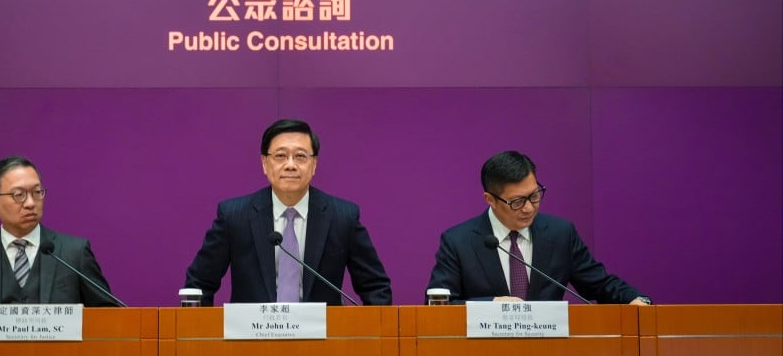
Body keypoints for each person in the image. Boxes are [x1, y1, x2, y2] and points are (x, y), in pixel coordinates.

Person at [183, 119, 392, 305]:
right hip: (252, 342)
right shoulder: (235, 216)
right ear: (265, 163)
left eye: (300, 156)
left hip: (323, 343)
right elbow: (198, 285)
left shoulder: (342, 217)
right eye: (280, 156)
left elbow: (376, 288)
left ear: (314, 165)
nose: (290, 165)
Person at [426, 150, 651, 305]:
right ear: (490, 200)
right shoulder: (458, 241)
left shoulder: (560, 233)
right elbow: (438, 303)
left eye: (534, 195)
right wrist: (491, 305)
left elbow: (600, 284)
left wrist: (635, 299)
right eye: (517, 202)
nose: (528, 208)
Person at [0, 155, 119, 307]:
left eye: (37, 192)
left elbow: (108, 316)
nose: (31, 203)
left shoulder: (74, 253)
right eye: (19, 195)